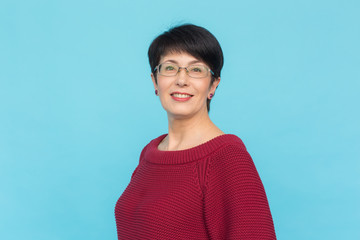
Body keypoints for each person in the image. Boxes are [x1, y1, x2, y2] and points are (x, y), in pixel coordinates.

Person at [115, 24, 276, 239]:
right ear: (155, 80)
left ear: (213, 85)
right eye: (170, 68)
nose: (182, 80)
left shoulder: (228, 157)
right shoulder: (150, 153)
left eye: (196, 69)